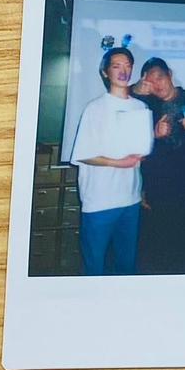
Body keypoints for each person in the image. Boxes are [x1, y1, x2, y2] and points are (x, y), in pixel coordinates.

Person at [67, 36, 153, 275]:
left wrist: (141, 156)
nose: (123, 71)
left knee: (126, 265)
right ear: (105, 72)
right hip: (100, 200)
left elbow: (142, 152)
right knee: (94, 266)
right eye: (116, 66)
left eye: (127, 65)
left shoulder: (140, 108)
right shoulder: (95, 108)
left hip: (131, 198)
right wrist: (119, 162)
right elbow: (83, 154)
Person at [131, 57, 185, 274]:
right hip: (159, 184)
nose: (157, 85)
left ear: (169, 74)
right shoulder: (146, 105)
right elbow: (134, 141)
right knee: (162, 241)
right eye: (151, 82)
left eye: (159, 77)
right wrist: (153, 134)